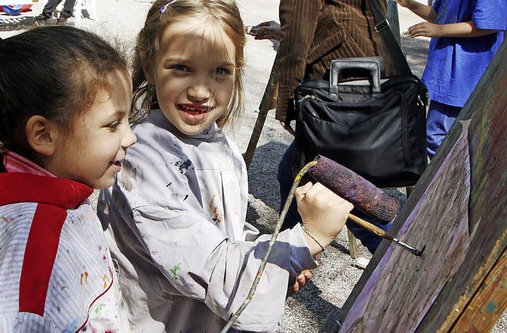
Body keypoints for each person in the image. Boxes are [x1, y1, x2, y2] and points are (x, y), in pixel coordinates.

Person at [97, 0, 354, 331]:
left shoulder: (220, 145)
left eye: (220, 71)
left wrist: (270, 255)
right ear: (149, 66)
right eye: (181, 68)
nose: (201, 90)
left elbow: (222, 228)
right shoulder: (141, 161)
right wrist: (309, 238)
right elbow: (211, 264)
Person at [0, 26, 136, 332]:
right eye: (113, 124)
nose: (130, 137)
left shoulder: (43, 198)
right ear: (43, 135)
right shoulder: (36, 244)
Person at [251, 0, 396, 254]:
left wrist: (286, 106)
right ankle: (290, 251)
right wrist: (284, 30)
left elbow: (296, 44)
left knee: (330, 184)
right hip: (369, 80)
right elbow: (347, 14)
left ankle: (396, 256)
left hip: (340, 94)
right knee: (292, 171)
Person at [395, 0, 506, 158]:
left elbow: (490, 24)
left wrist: (439, 30)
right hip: (447, 77)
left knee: (438, 138)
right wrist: (408, 4)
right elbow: (438, 16)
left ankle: (455, 181)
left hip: (466, 79)